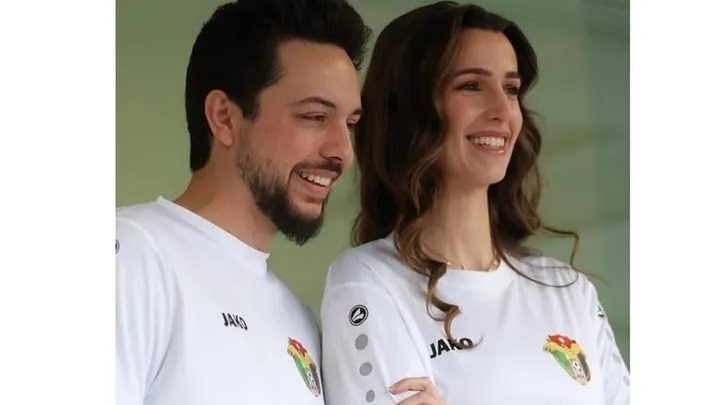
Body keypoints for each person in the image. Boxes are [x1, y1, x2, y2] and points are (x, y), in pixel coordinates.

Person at [320, 2, 630, 404]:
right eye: (471, 86)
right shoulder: (369, 282)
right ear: (411, 109)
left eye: (511, 89)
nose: (503, 111)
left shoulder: (569, 290)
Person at [116, 0, 370, 404]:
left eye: (350, 124)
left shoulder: (298, 322)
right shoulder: (132, 256)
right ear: (224, 117)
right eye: (314, 117)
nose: (343, 151)